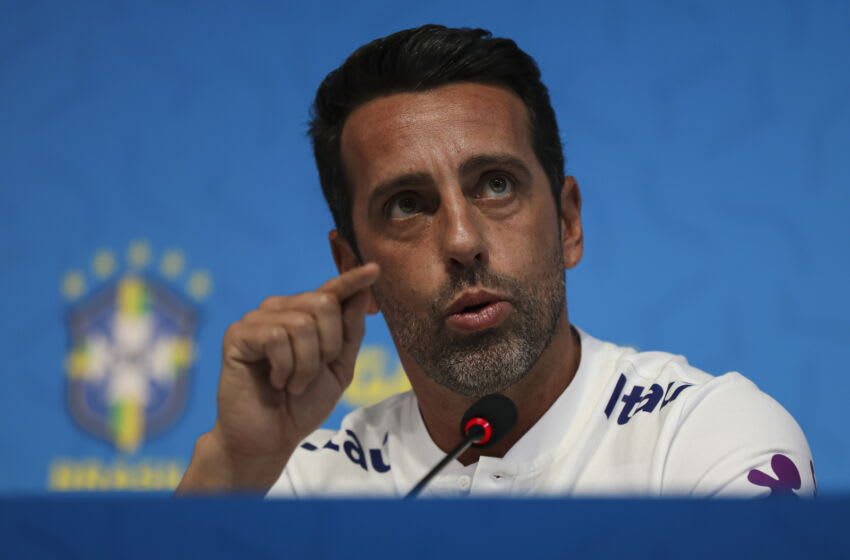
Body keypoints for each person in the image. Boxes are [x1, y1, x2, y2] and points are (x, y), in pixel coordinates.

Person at [176, 25, 815, 498]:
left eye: (496, 185)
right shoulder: (297, 482)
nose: (461, 239)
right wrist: (235, 463)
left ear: (567, 222)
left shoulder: (706, 436)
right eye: (406, 205)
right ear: (351, 270)